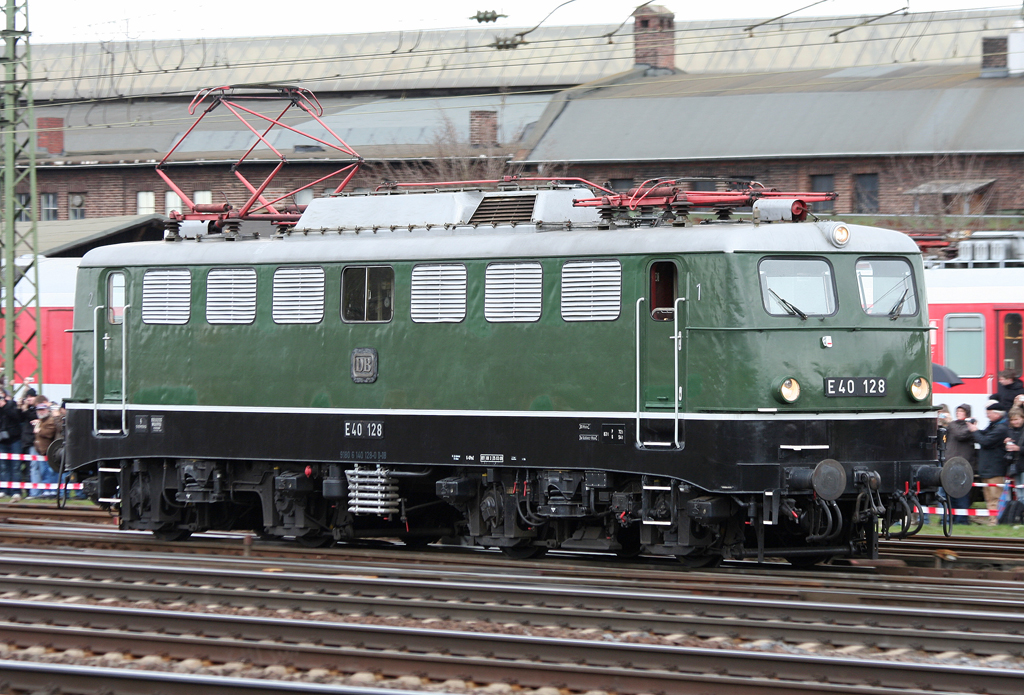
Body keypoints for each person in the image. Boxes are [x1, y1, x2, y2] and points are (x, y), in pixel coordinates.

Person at [969, 401, 1011, 525]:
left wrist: (974, 431)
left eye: (989, 413)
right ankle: (992, 519)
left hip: (995, 468)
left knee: (995, 496)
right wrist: (975, 428)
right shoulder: (993, 425)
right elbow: (984, 435)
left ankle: (996, 519)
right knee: (988, 497)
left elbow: (985, 441)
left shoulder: (1001, 428)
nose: (987, 416)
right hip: (988, 468)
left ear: (997, 414)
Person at [944, 403, 977, 524]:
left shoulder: (968, 426)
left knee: (962, 493)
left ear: (967, 413)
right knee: (949, 492)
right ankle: (949, 518)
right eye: (957, 411)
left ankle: (962, 519)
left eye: (961, 411)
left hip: (963, 465)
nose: (958, 413)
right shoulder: (953, 426)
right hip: (950, 464)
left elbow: (960, 435)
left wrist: (950, 423)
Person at [30, 397, 58, 498]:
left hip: (49, 451)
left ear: (47, 410)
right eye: (39, 410)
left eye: (43, 410)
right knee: (44, 471)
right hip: (41, 451)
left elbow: (49, 433)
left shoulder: (50, 420)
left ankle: (53, 491)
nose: (41, 412)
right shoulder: (41, 421)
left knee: (51, 472)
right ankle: (46, 490)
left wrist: (39, 430)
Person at [0, 390, 23, 501]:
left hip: (15, 440)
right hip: (2, 441)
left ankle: (16, 491)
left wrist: (5, 407)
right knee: (4, 467)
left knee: (15, 467)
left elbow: (17, 418)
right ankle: (4, 490)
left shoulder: (11, 405)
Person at [1005, 406, 1024, 489]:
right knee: (1019, 494)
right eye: (1012, 420)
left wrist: (1018, 448)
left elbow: (1018, 448)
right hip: (1016, 466)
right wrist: (1006, 443)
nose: (1014, 422)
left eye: (1016, 419)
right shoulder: (1011, 430)